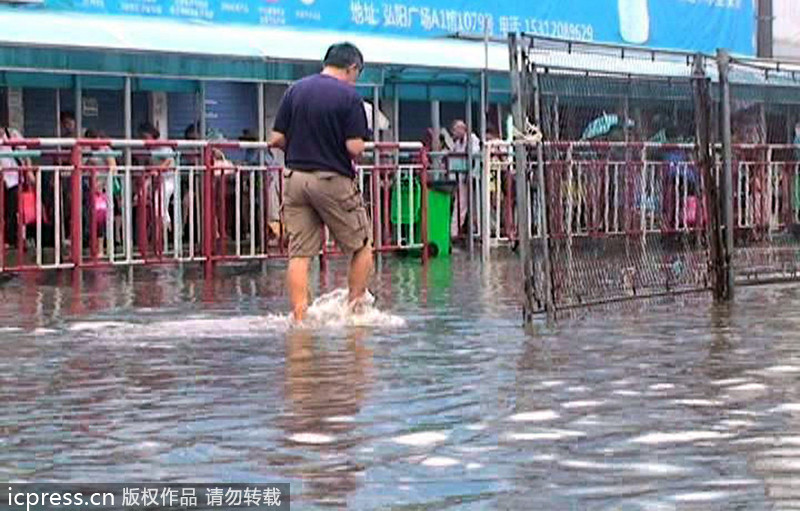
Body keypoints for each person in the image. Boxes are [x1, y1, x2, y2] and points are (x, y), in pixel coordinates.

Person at [269, 42, 371, 322]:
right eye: (357, 73)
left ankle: (299, 317)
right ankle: (355, 311)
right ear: (352, 68)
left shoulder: (296, 90)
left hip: (295, 179)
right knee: (362, 245)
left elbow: (275, 139)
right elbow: (354, 147)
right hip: (332, 178)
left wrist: (301, 142)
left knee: (300, 253)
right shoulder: (350, 98)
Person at [447, 119, 480, 239]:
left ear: (462, 129)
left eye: (455, 130)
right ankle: (454, 232)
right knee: (460, 205)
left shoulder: (472, 139)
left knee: (472, 205)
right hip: (461, 177)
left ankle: (459, 231)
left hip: (472, 177)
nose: (453, 133)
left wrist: (469, 174)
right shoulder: (457, 143)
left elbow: (474, 156)